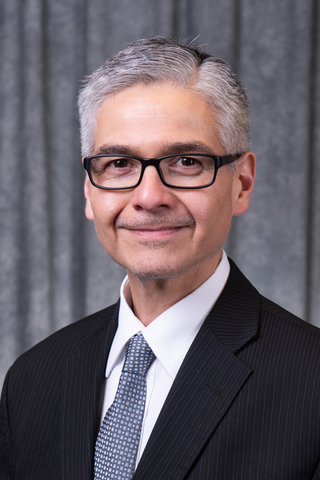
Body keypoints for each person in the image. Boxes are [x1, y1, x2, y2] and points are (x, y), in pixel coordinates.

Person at [1, 36, 320, 480]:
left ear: (241, 183)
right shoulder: (32, 380)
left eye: (186, 161)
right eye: (119, 164)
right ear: (89, 191)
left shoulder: (311, 383)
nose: (149, 197)